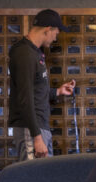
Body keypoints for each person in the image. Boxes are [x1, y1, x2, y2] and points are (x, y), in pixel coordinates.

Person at [8, 9, 76, 159]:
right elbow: (25, 97)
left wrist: (57, 92)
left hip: (39, 127)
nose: (55, 38)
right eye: (56, 33)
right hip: (31, 129)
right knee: (33, 179)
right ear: (48, 29)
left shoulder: (35, 52)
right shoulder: (24, 53)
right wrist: (36, 137)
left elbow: (34, 89)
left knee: (44, 177)